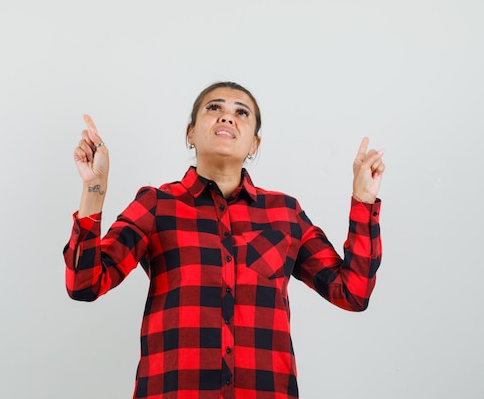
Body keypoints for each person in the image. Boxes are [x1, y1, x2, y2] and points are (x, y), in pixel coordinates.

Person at [63, 81, 385, 399]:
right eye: (214, 108)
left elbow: (352, 293)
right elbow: (84, 284)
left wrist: (364, 201)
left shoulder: (285, 213)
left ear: (254, 144)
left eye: (241, 112)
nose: (227, 117)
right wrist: (94, 190)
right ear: (190, 133)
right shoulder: (156, 205)